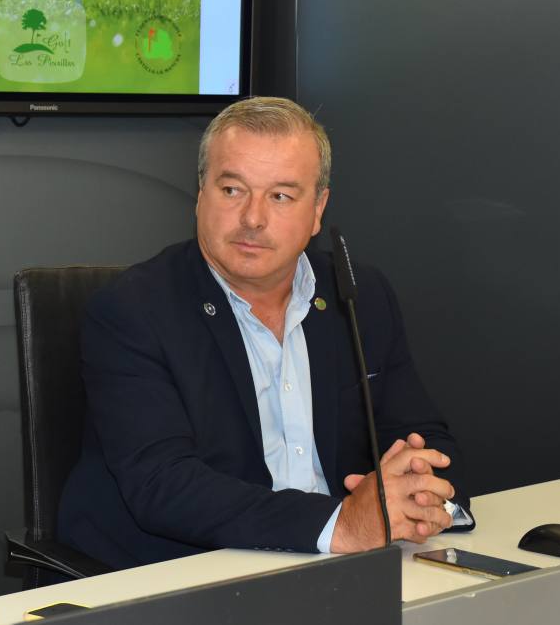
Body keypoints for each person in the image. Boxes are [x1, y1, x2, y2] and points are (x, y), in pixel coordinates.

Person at [57, 96, 472, 568]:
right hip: (189, 575)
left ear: (317, 209)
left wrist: (417, 491)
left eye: (280, 196)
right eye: (232, 190)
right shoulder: (132, 310)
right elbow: (163, 485)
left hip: (344, 566)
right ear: (200, 194)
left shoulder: (356, 295)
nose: (252, 218)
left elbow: (421, 434)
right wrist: (340, 524)